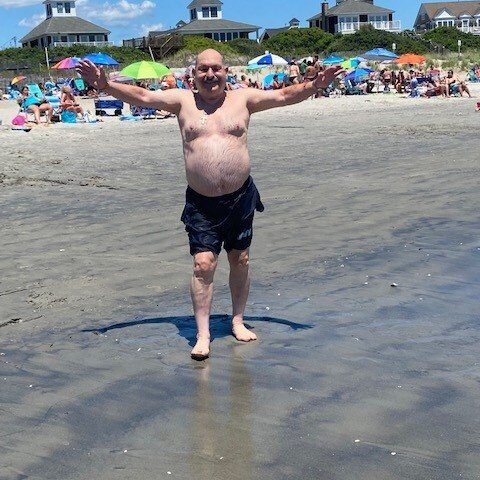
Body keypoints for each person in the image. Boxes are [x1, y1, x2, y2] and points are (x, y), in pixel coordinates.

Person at [76, 49, 342, 360]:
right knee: (203, 264)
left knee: (240, 259)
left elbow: (284, 95)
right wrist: (105, 86)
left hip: (241, 197)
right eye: (203, 69)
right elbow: (142, 96)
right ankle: (203, 334)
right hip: (201, 202)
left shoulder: (244, 100)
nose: (210, 75)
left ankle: (238, 320)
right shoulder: (182, 101)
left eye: (216, 68)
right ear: (194, 74)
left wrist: (314, 86)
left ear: (226, 71)